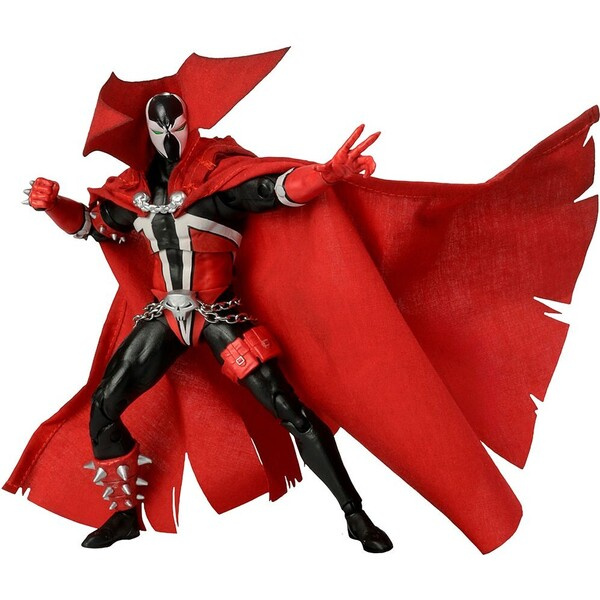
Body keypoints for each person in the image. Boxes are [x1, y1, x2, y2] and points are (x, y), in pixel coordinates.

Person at [23, 91, 392, 552]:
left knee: (289, 409)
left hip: (219, 313)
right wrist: (53, 204)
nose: (169, 137)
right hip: (164, 316)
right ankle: (124, 516)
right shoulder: (134, 193)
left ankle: (355, 515)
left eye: (176, 127)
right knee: (104, 405)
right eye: (160, 129)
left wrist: (325, 174)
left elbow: (272, 190)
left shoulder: (217, 179)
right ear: (147, 132)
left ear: (189, 125)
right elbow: (93, 225)